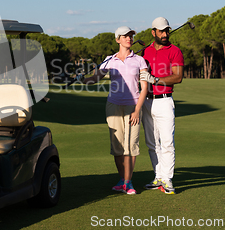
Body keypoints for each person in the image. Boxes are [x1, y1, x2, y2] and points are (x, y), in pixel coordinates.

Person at [79, 26, 148, 195]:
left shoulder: (139, 60)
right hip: (113, 105)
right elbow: (96, 78)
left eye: (131, 36)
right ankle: (122, 180)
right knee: (117, 146)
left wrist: (138, 109)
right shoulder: (109, 60)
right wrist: (83, 79)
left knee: (131, 146)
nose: (129, 39)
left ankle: (128, 182)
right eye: (125, 36)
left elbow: (144, 87)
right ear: (118, 39)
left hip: (133, 106)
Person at [140, 17, 184, 195]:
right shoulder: (144, 51)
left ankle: (167, 179)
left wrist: (156, 80)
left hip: (165, 100)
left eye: (167, 30)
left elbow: (178, 77)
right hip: (147, 101)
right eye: (161, 31)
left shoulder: (175, 51)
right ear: (153, 32)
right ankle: (158, 176)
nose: (165, 34)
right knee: (152, 143)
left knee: (167, 142)